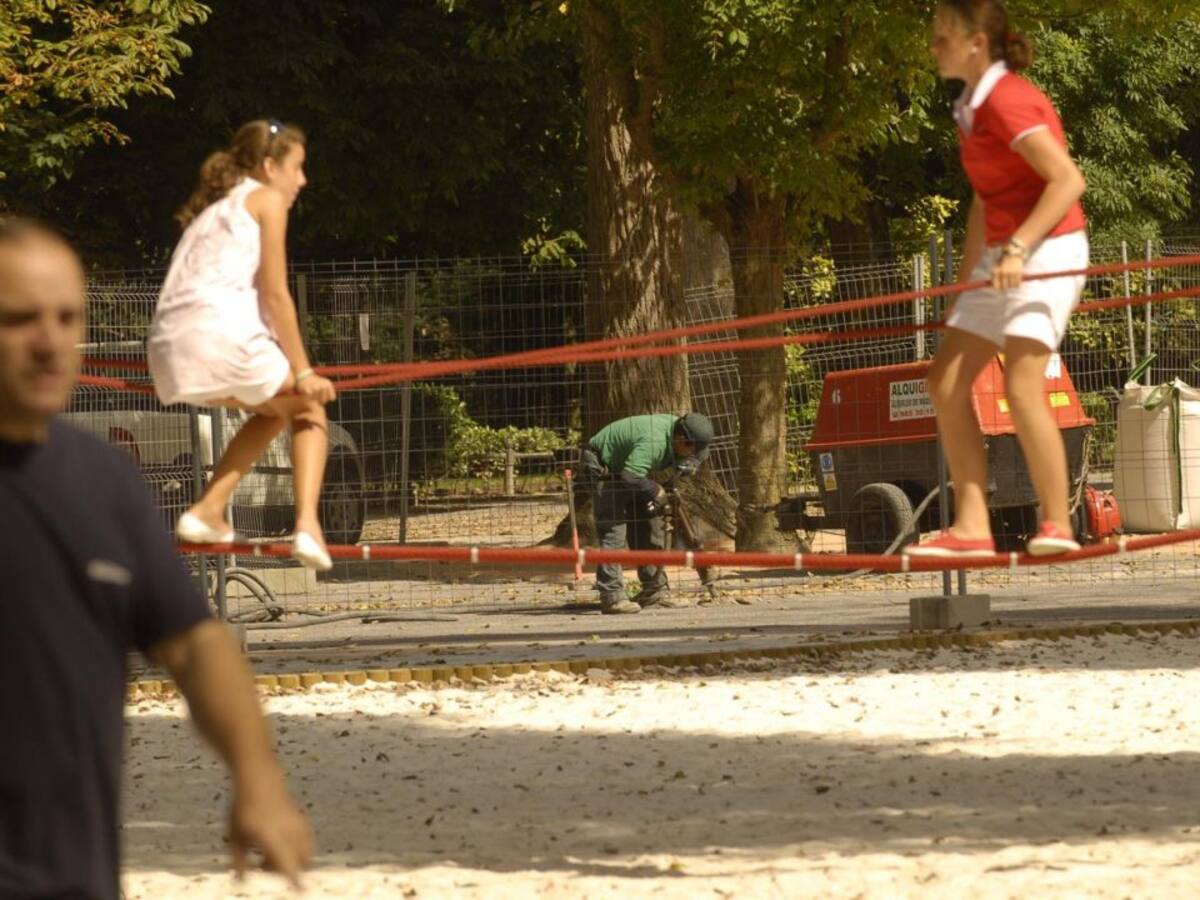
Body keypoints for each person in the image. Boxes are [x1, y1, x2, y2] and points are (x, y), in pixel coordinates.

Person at [0, 218, 313, 898]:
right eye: (20, 319)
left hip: (74, 877)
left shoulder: (103, 483)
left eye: (67, 317)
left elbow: (197, 645)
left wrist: (259, 781)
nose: (50, 342)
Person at [908, 0, 1088, 559]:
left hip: (1049, 246)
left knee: (1021, 384)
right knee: (945, 382)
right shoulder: (971, 105)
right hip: (1004, 252)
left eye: (943, 38)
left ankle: (1056, 523)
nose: (934, 47)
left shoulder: (1009, 100)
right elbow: (984, 205)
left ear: (975, 44)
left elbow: (1066, 180)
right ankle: (972, 527)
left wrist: (1016, 249)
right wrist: (965, 284)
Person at [148, 118, 337, 571]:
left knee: (274, 410)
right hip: (219, 337)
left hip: (169, 349)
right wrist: (305, 371)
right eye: (298, 167)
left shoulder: (214, 212)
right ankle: (308, 526)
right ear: (271, 167)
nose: (303, 180)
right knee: (309, 408)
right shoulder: (267, 200)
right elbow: (275, 294)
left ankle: (208, 510)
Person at [580, 412, 714, 614]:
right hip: (602, 466)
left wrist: (688, 464)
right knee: (613, 530)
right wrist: (655, 490)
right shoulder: (655, 441)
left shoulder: (677, 432)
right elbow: (630, 475)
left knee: (649, 522)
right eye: (692, 451)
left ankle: (654, 593)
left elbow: (635, 473)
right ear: (681, 440)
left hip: (625, 468)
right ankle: (612, 597)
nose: (693, 456)